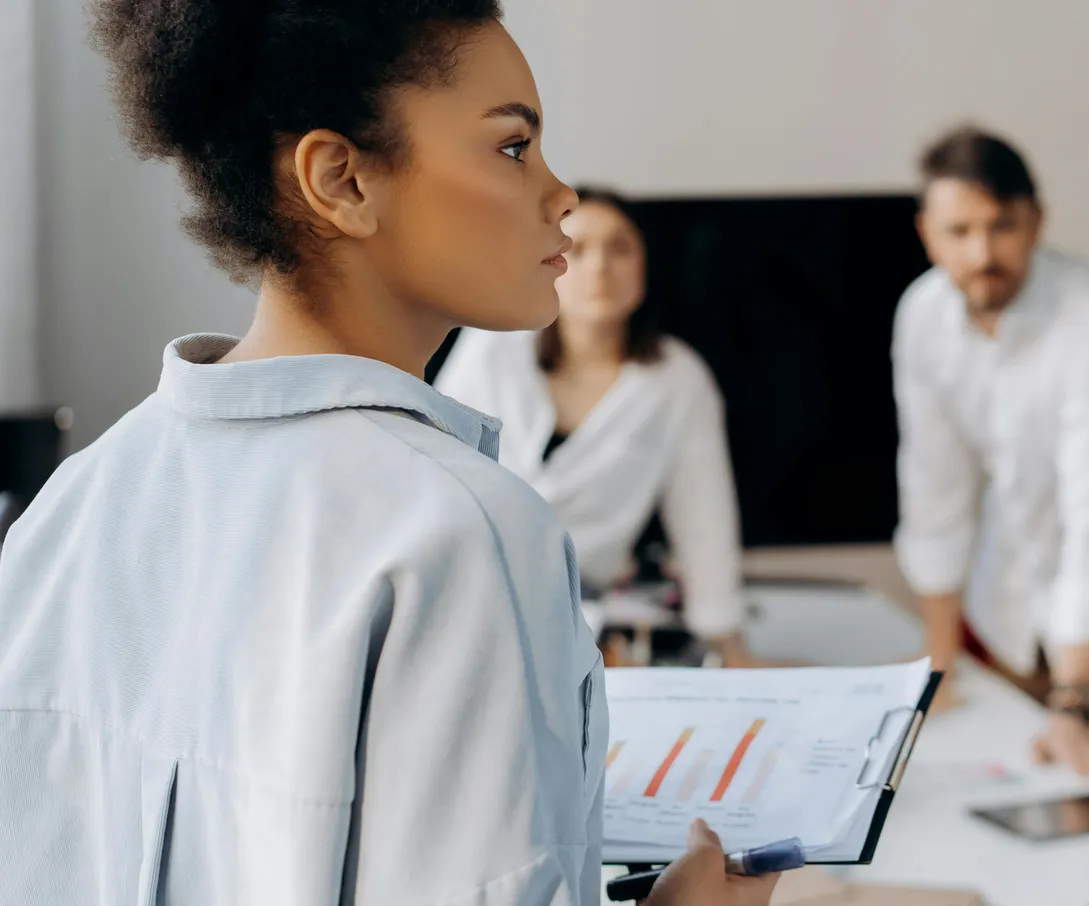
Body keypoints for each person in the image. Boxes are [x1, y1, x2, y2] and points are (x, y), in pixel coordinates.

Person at [0, 4, 778, 905]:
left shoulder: (72, 503)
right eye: (513, 148)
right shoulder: (464, 531)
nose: (560, 194)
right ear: (343, 181)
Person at [892, 126, 1089, 779]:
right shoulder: (920, 317)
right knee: (987, 773)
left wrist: (1071, 704)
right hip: (1013, 597)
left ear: (1035, 221)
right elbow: (934, 493)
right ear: (927, 233)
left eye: (1002, 225)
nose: (982, 252)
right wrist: (939, 661)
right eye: (960, 231)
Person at [435, 189, 757, 667]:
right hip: (464, 595)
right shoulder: (493, 347)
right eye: (578, 249)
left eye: (620, 248)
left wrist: (729, 647)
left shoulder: (677, 380)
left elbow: (705, 524)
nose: (600, 268)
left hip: (581, 621)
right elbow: (434, 466)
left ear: (645, 267)